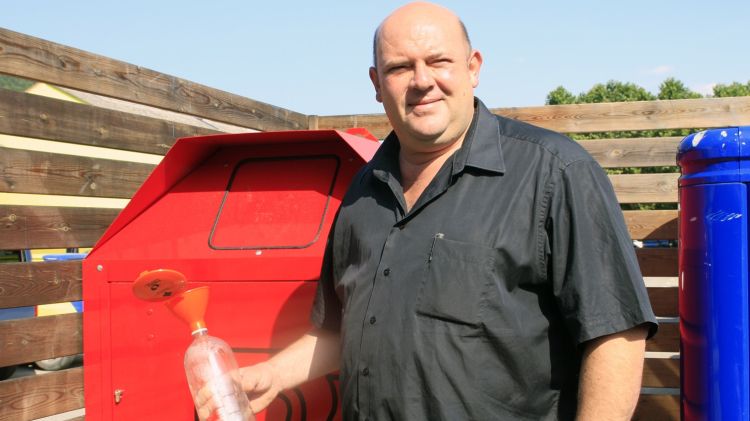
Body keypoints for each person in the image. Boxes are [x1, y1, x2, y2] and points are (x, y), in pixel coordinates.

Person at [199, 2, 657, 420]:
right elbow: (340, 332)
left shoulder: (554, 173)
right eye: (400, 67)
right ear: (378, 84)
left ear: (473, 68)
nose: (422, 81)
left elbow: (616, 333)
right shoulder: (362, 194)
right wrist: (275, 375)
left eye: (438, 61)